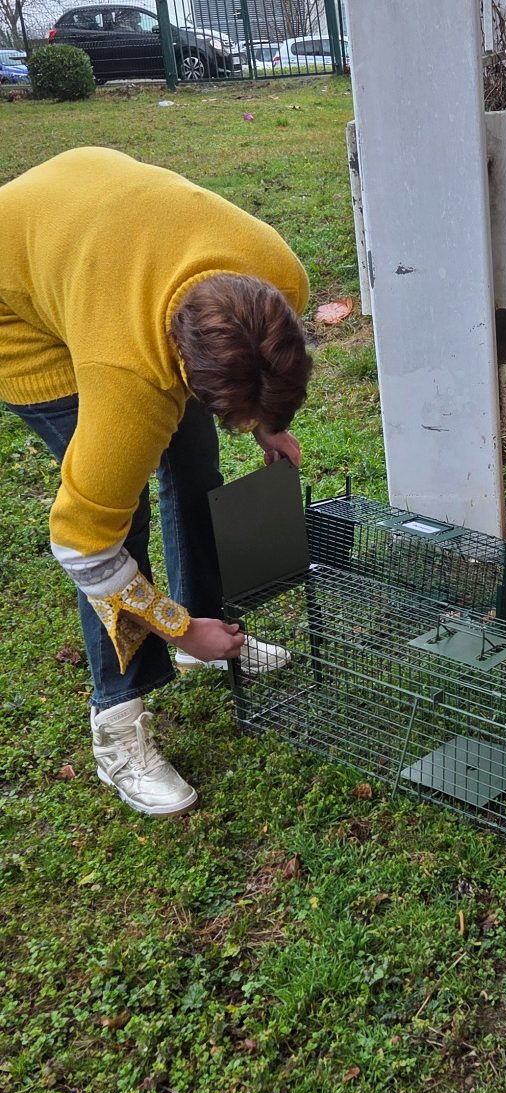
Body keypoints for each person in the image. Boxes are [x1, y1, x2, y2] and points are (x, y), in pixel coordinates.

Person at [0, 147, 312, 817]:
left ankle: (211, 630)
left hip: (95, 233)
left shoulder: (280, 276)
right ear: (181, 368)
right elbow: (83, 545)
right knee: (120, 515)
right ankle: (116, 728)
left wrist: (266, 421)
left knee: (195, 463)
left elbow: (254, 368)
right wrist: (175, 627)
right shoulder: (130, 379)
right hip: (18, 312)